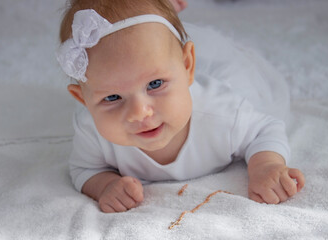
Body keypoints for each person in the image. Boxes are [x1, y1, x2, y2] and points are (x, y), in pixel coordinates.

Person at [57, 0, 305, 213]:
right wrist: (104, 185)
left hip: (214, 80)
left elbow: (265, 129)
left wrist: (266, 165)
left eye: (155, 84)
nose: (139, 112)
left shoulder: (222, 112)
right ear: (83, 100)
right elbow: (84, 169)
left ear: (188, 66)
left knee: (164, 50)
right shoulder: (91, 130)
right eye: (112, 98)